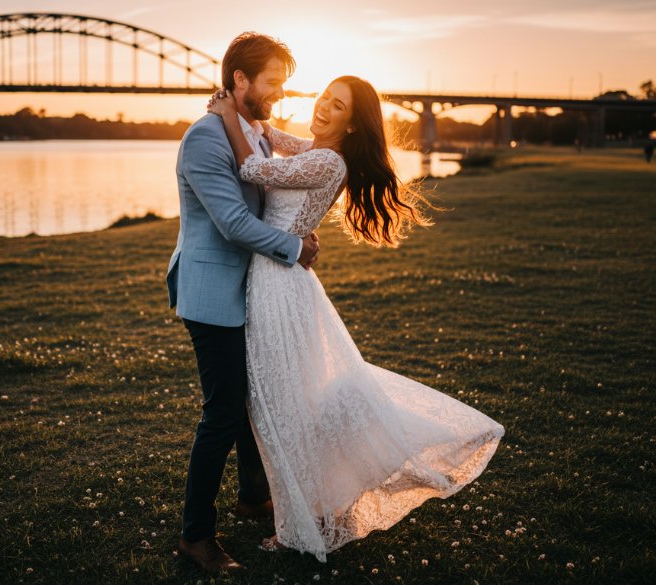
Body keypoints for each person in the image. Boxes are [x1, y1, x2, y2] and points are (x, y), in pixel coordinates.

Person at [206, 75, 505, 562]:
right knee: (276, 405)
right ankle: (309, 508)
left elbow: (254, 168)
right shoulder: (316, 149)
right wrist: (243, 107)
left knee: (283, 409)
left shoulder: (328, 159)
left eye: (338, 105)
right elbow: (273, 139)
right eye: (325, 96)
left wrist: (224, 117)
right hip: (274, 281)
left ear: (352, 123)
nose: (324, 106)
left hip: (280, 287)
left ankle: (296, 528)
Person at [165, 32, 320, 573]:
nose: (280, 92)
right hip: (210, 295)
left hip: (246, 290)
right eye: (273, 81)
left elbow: (284, 165)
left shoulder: (252, 130)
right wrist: (295, 247)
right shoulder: (205, 138)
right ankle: (195, 537)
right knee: (223, 412)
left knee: (251, 402)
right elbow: (231, 223)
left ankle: (253, 495)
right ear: (240, 80)